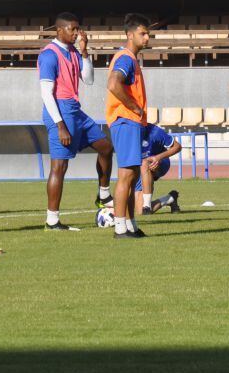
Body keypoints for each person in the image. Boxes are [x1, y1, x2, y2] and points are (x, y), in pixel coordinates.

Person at [38, 12, 115, 231]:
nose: (76, 33)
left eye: (77, 28)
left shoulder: (73, 51)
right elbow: (46, 92)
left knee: (106, 148)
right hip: (60, 112)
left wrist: (84, 52)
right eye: (72, 29)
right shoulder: (49, 55)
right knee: (59, 166)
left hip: (76, 111)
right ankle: (52, 221)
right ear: (59, 30)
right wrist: (60, 124)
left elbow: (88, 80)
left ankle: (103, 196)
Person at [106, 13, 152, 239]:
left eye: (148, 34)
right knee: (126, 174)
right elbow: (114, 84)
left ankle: (131, 225)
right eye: (143, 33)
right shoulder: (125, 58)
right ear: (130, 34)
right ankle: (119, 227)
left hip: (131, 122)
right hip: (125, 121)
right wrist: (134, 107)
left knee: (132, 174)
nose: (147, 38)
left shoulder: (131, 59)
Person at [135, 123, 182, 215]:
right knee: (139, 211)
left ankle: (147, 206)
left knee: (144, 163)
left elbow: (177, 147)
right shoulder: (126, 134)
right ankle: (170, 198)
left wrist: (158, 158)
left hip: (161, 162)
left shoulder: (155, 131)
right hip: (140, 169)